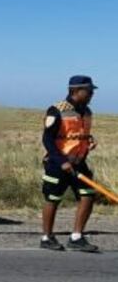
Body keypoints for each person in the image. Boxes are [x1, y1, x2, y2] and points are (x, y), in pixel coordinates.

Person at [40, 75, 99, 252]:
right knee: (53, 199)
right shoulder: (56, 110)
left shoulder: (87, 112)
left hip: (79, 163)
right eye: (87, 91)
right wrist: (62, 162)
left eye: (91, 92)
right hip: (58, 163)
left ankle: (76, 237)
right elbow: (48, 139)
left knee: (88, 195)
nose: (91, 95)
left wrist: (89, 142)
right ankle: (47, 237)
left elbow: (79, 135)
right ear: (74, 91)